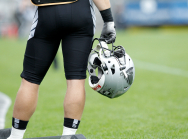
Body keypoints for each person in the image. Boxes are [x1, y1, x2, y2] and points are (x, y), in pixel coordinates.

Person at [7, 0, 116, 138]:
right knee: (76, 79)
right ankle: (68, 135)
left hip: (47, 12)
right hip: (79, 11)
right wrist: (109, 20)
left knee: (30, 80)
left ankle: (15, 136)